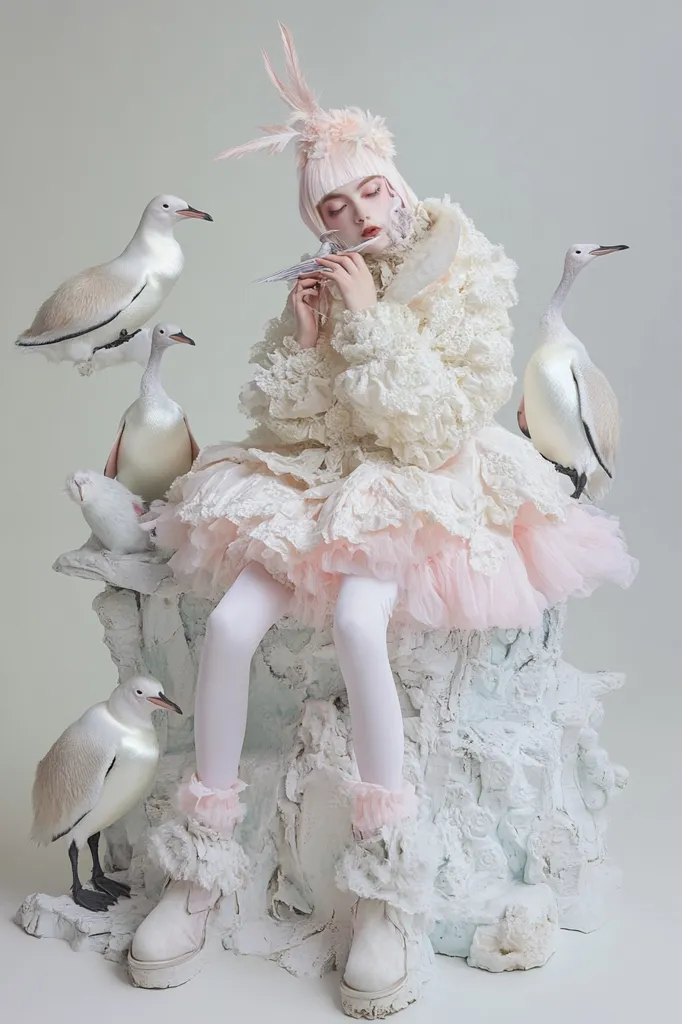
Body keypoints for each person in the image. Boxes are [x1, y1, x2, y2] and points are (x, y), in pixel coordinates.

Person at [127, 24, 636, 1015]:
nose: (357, 212)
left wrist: (367, 322)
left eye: (367, 188)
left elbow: (433, 420)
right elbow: (287, 419)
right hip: (323, 478)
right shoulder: (328, 271)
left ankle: (382, 885)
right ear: (314, 215)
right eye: (331, 204)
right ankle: (201, 867)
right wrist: (316, 336)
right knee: (231, 623)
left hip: (421, 481)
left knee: (361, 622)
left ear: (393, 178)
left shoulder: (465, 261)